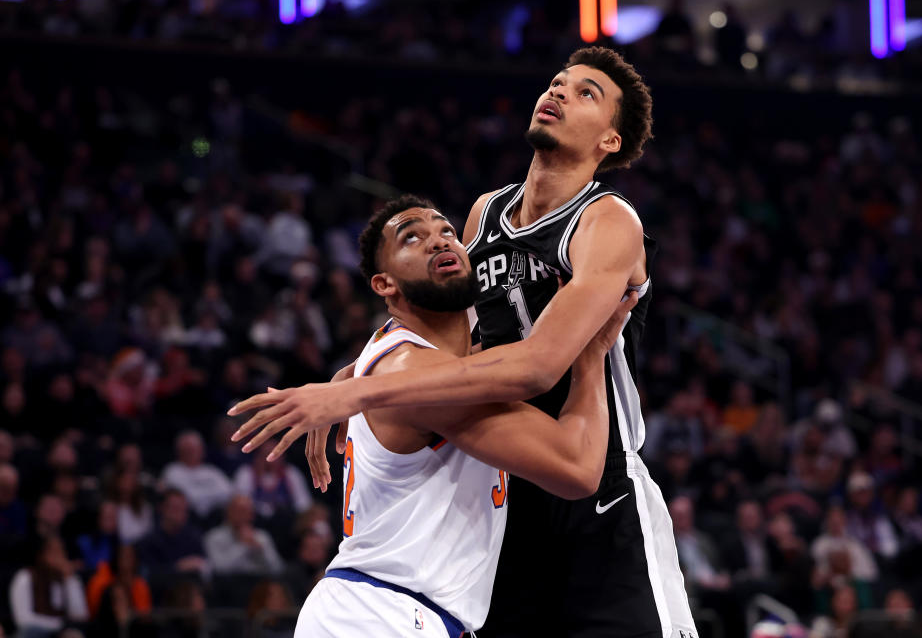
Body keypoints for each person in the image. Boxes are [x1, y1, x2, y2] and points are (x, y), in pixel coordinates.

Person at [231, 47, 696, 637]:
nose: (557, 92)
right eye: (557, 81)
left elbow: (536, 366)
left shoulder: (608, 222)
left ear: (609, 140)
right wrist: (355, 375)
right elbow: (449, 337)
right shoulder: (486, 213)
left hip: (597, 491)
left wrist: (358, 396)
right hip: (507, 486)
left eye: (585, 93)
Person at [242, 196, 632, 636]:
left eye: (446, 231)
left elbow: (491, 360)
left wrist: (349, 384)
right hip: (382, 614)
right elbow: (576, 467)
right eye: (412, 237)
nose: (437, 241)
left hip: (396, 612)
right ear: (384, 284)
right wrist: (592, 354)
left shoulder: (416, 363)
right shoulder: (413, 371)